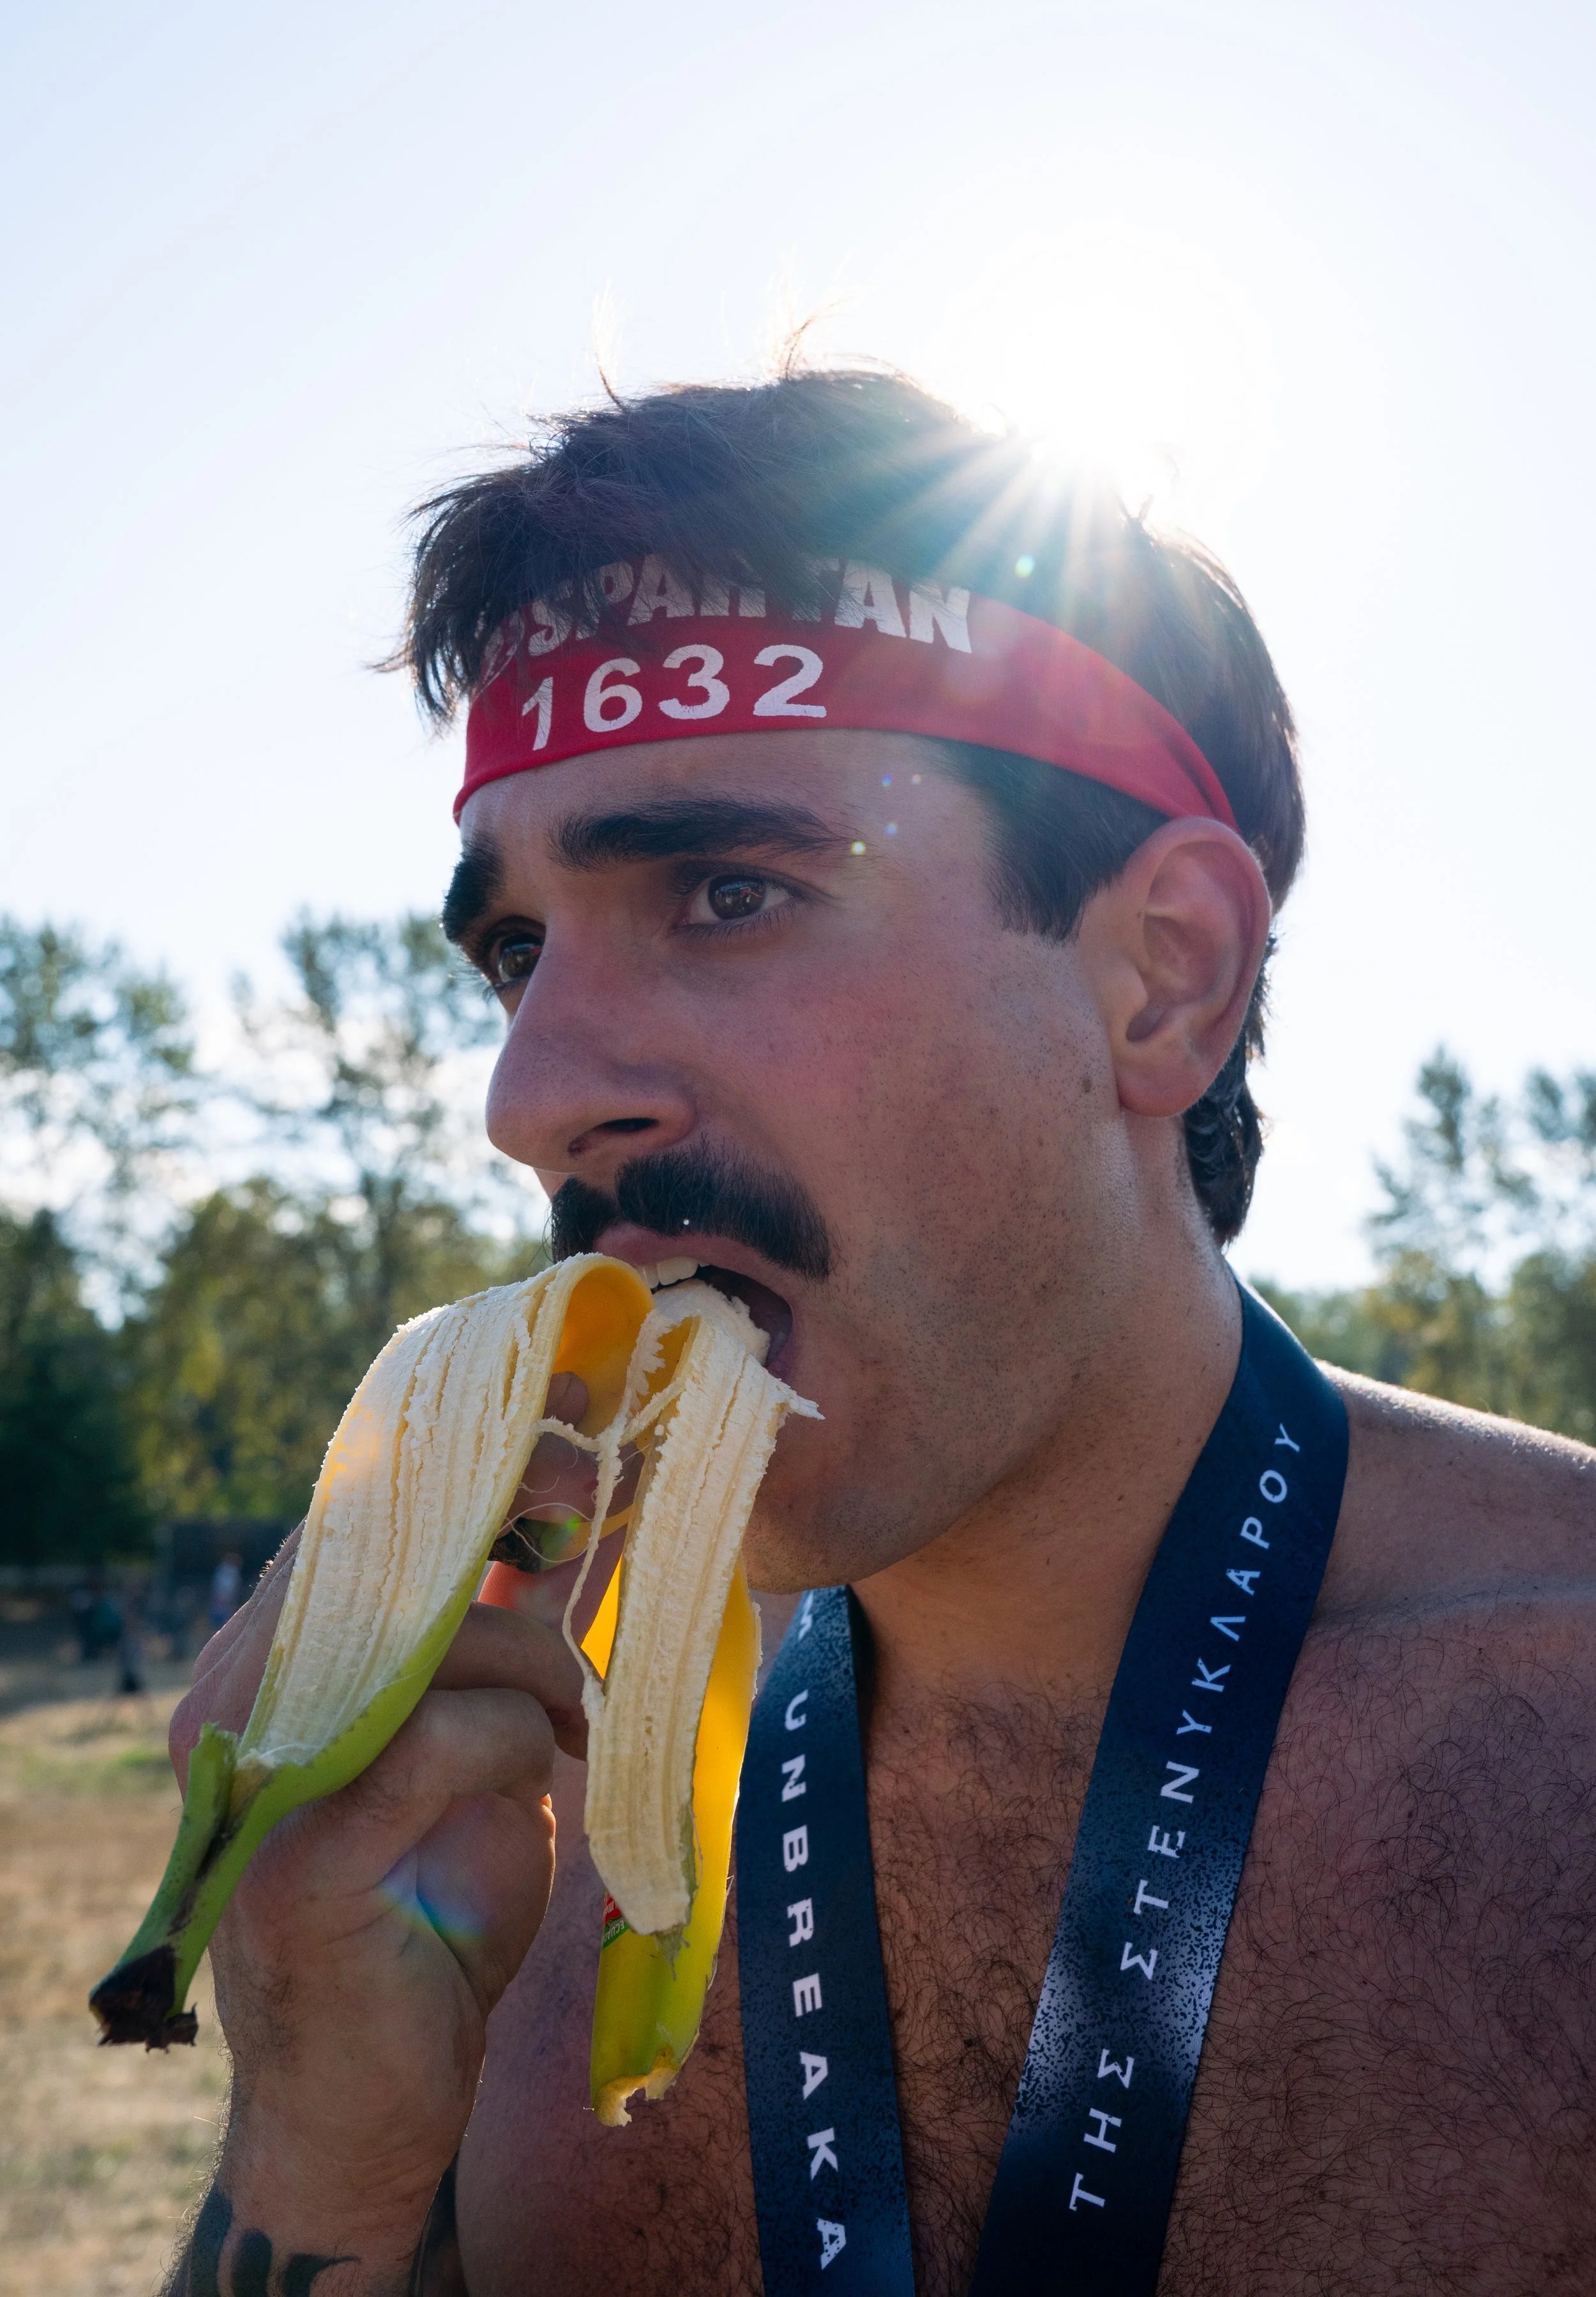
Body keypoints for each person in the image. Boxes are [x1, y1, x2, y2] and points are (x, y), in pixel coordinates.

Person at [163, 369, 1595, 2296]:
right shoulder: (509, 1794)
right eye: (517, 951)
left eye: (725, 891)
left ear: (1163, 978)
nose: (529, 1093)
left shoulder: (1556, 1724)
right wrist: (317, 2155)